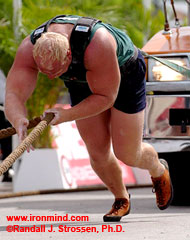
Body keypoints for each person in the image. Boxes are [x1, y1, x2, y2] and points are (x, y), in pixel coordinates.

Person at [5, 14, 173, 222]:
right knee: (97, 151)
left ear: (68, 55)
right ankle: (121, 199)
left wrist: (66, 115)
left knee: (128, 153)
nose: (50, 77)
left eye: (56, 71)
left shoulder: (97, 44)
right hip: (81, 79)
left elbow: (106, 98)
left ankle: (158, 169)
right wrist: (18, 118)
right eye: (44, 72)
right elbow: (13, 94)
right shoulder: (29, 48)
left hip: (123, 73)